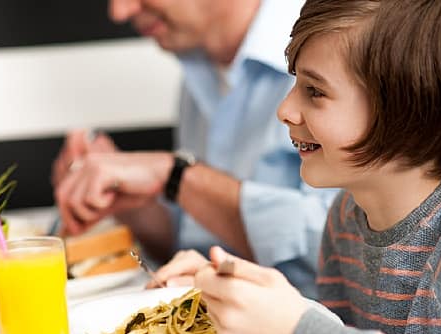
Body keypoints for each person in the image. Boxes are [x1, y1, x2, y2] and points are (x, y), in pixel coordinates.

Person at [157, 0, 441, 334]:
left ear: (413, 111)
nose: (285, 110)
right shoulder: (346, 216)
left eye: (315, 91)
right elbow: (334, 330)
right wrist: (232, 291)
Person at [52, 0, 335, 299]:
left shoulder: (342, 43)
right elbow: (201, 243)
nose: (120, 11)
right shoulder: (198, 69)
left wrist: (176, 176)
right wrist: (134, 203)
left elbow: (344, 250)